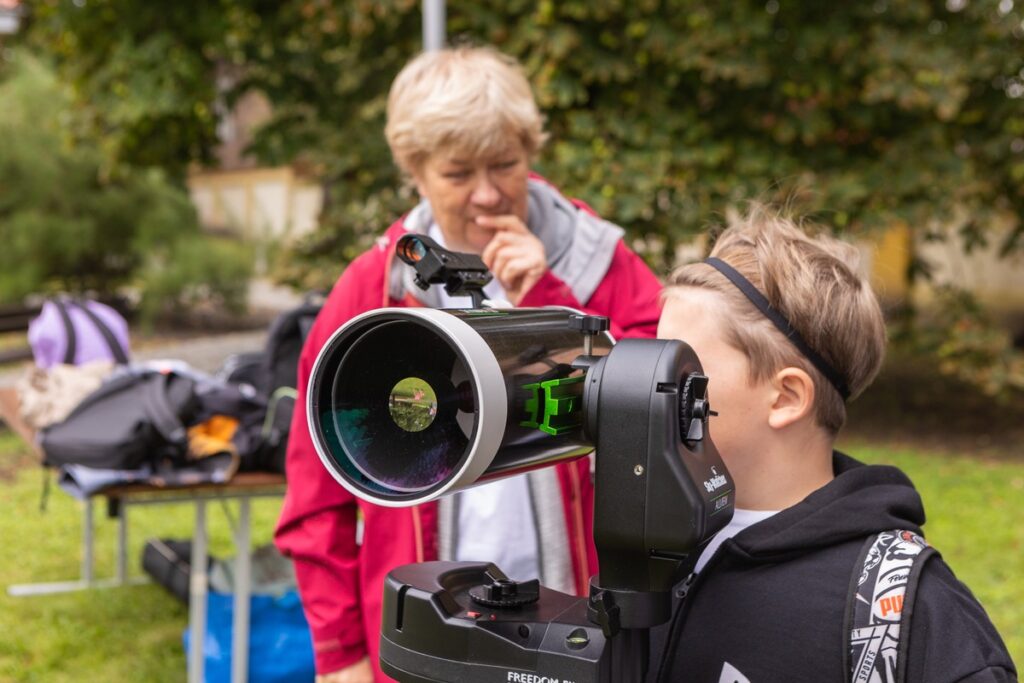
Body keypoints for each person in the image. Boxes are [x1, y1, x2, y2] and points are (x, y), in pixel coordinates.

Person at [274, 45, 663, 682]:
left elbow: (660, 397)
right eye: (458, 174)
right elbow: (316, 500)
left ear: (532, 152)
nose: (488, 194)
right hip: (426, 642)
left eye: (506, 164)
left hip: (579, 630)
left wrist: (547, 306)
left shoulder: (595, 261)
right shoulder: (373, 289)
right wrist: (341, 653)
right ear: (415, 171)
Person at [651, 206, 1017, 682]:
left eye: (680, 367)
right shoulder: (653, 547)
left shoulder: (905, 615)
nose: (647, 384)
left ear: (785, 397)